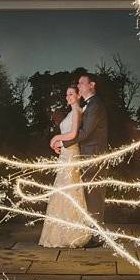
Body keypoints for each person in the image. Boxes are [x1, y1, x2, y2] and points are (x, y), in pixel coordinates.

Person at [55, 72, 108, 248]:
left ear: (91, 85)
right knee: (87, 196)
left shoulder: (95, 105)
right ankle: (89, 232)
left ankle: (97, 236)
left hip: (93, 156)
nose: (79, 86)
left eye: (81, 83)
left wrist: (62, 141)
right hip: (85, 155)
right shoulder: (89, 106)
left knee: (94, 196)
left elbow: (86, 134)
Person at [38, 85, 92, 248]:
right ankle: (59, 233)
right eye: (66, 94)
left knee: (69, 190)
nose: (67, 97)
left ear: (78, 96)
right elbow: (67, 136)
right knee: (62, 191)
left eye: (71, 94)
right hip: (64, 154)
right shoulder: (70, 112)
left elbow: (74, 134)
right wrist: (57, 144)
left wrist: (55, 137)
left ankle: (71, 234)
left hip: (71, 155)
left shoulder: (77, 111)